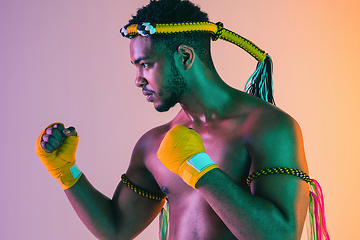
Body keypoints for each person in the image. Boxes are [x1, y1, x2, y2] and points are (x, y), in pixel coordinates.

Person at [35, 0, 327, 239]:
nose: (138, 80)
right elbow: (117, 229)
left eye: (146, 64)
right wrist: (67, 173)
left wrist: (200, 169)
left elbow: (281, 236)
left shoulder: (267, 127)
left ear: (185, 57)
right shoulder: (153, 145)